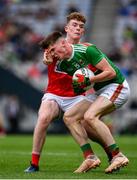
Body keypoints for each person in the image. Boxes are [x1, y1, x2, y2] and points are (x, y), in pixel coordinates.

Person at [39, 31, 130, 173]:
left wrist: (90, 79)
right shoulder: (63, 65)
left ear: (63, 43)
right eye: (49, 51)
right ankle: (90, 157)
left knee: (89, 116)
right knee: (69, 117)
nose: (52, 54)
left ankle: (117, 155)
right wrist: (48, 62)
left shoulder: (87, 50)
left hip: (116, 86)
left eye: (52, 50)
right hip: (98, 91)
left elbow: (111, 72)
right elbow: (80, 85)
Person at [24, 12, 101, 173]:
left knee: (90, 128)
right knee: (44, 117)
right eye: (74, 25)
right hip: (54, 94)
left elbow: (93, 72)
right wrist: (46, 59)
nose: (78, 28)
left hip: (77, 96)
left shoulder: (87, 49)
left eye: (81, 27)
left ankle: (111, 154)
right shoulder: (56, 43)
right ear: (66, 28)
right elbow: (46, 55)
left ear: (83, 32)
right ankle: (34, 163)